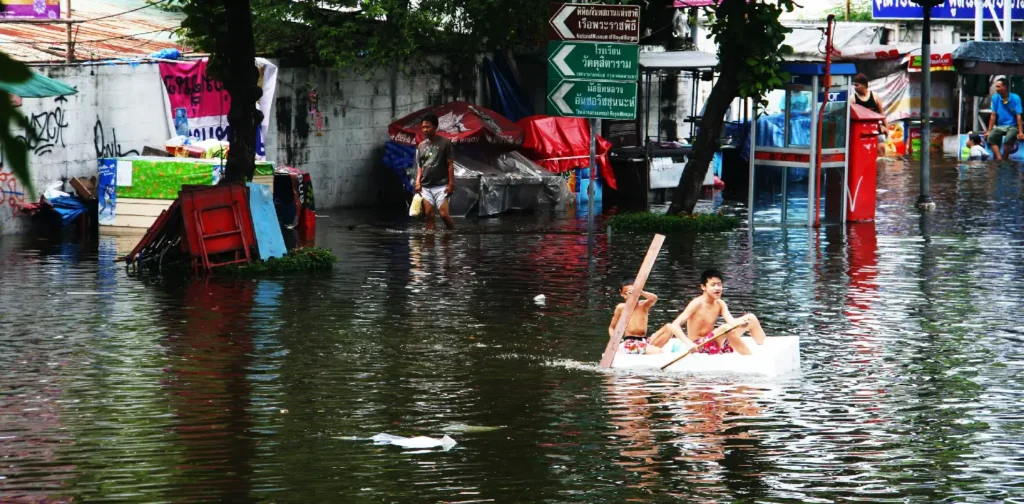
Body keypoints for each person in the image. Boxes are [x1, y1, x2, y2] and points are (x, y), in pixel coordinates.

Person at [651, 269, 766, 355]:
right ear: (703, 287)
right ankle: (749, 358)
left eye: (719, 284)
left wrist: (742, 324)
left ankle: (764, 348)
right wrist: (688, 343)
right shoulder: (697, 303)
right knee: (725, 328)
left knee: (751, 318)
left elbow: (731, 322)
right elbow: (674, 325)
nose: (717, 288)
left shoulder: (720, 303)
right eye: (713, 285)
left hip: (714, 341)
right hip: (699, 345)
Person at [414, 113, 456, 231]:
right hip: (426, 186)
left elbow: (450, 165)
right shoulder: (421, 146)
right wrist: (418, 182)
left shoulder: (445, 143)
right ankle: (429, 245)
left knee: (444, 215)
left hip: (441, 185)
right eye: (423, 127)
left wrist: (451, 184)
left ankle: (452, 234)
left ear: (435, 127)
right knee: (429, 215)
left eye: (428, 127)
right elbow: (420, 166)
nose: (425, 130)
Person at [607, 278, 662, 355]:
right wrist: (614, 342)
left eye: (631, 293)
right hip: (630, 343)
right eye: (626, 293)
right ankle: (650, 351)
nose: (629, 295)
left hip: (644, 340)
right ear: (621, 293)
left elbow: (654, 298)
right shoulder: (621, 307)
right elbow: (611, 327)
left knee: (669, 328)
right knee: (658, 351)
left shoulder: (643, 305)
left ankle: (649, 350)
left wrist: (640, 291)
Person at [986, 77, 1024, 161]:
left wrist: (1021, 132)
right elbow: (993, 115)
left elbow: (1018, 116)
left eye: (998, 87)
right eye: (996, 87)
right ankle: (999, 158)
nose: (996, 89)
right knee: (991, 137)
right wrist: (989, 130)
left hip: (1013, 125)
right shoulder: (995, 98)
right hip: (1001, 125)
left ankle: (1005, 159)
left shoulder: (1015, 98)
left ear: (1005, 87)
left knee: (1008, 138)